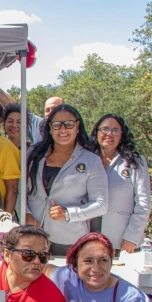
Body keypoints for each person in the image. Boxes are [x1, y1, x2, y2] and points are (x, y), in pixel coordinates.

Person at [23, 104, 108, 256]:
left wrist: (69, 214)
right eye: (56, 124)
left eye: (68, 124)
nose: (62, 129)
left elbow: (101, 205)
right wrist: (26, 214)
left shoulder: (91, 160)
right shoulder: (33, 154)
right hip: (32, 234)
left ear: (77, 126)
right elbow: (20, 191)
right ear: (50, 128)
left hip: (68, 238)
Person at [87, 114, 151, 253]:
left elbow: (143, 203)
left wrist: (132, 237)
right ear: (96, 132)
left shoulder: (135, 161)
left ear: (122, 135)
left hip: (121, 240)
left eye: (115, 130)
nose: (109, 134)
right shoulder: (85, 159)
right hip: (86, 237)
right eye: (104, 129)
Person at [0, 77, 63, 144]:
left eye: (55, 108)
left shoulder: (72, 128)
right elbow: (10, 107)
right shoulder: (38, 124)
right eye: (47, 110)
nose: (51, 112)